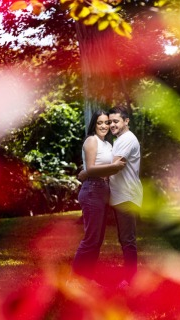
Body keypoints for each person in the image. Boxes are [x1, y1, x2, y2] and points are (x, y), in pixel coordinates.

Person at [79, 106, 143, 288]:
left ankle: (130, 281)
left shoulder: (125, 140)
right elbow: (109, 166)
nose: (112, 125)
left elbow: (116, 166)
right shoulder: (117, 141)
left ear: (126, 121)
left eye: (115, 121)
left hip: (126, 195)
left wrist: (86, 172)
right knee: (121, 239)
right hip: (118, 194)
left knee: (127, 240)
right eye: (110, 121)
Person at [71, 110, 126, 281]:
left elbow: (93, 171)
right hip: (92, 190)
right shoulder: (91, 141)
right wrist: (115, 167)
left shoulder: (108, 145)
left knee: (97, 240)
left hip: (103, 190)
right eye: (99, 123)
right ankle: (74, 280)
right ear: (94, 124)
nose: (104, 126)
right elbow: (91, 169)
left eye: (106, 123)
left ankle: (86, 280)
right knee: (91, 239)